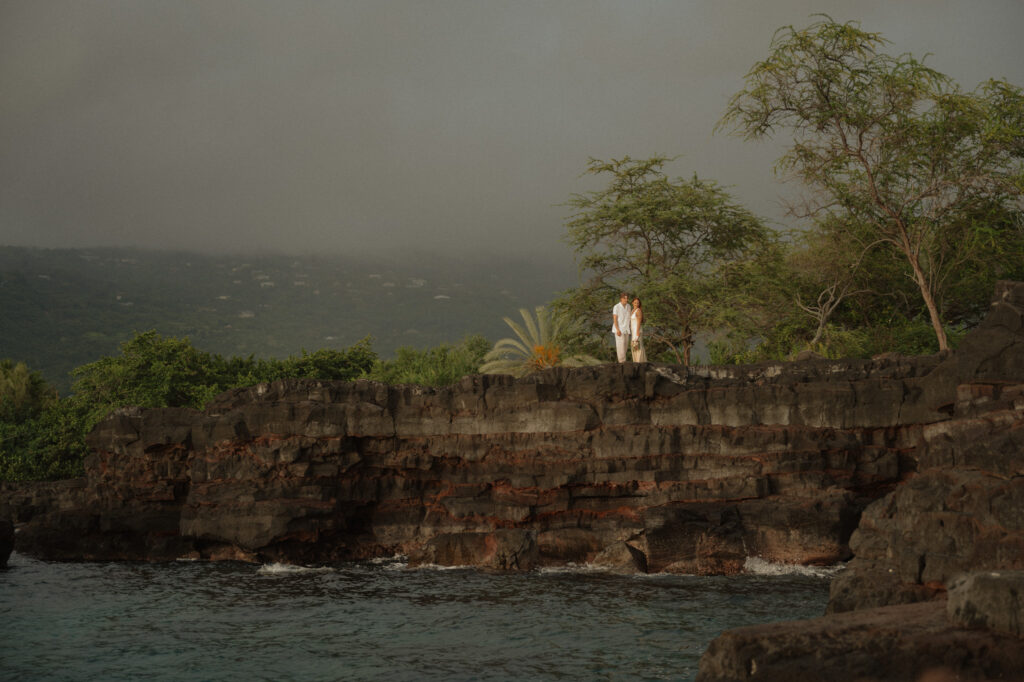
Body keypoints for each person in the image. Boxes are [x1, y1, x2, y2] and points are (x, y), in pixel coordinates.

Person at [612, 292, 631, 363]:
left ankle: (623, 361)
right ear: (621, 299)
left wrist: (630, 328)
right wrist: (617, 329)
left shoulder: (629, 306)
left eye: (627, 298)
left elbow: (629, 318)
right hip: (619, 329)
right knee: (620, 347)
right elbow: (615, 319)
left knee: (625, 346)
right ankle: (622, 362)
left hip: (626, 329)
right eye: (624, 298)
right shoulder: (616, 307)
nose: (626, 299)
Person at [630, 297, 647, 363]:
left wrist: (637, 332)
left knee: (638, 346)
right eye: (635, 302)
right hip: (633, 331)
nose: (636, 304)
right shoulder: (632, 310)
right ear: (632, 303)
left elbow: (639, 322)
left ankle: (640, 362)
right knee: (634, 347)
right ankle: (636, 362)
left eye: (637, 303)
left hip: (637, 330)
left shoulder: (638, 311)